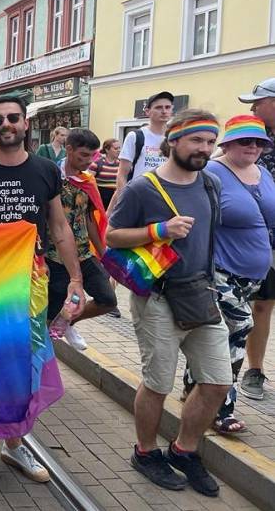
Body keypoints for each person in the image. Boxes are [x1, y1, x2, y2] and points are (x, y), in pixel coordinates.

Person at [0, 96, 83, 482]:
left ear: (25, 124)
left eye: (13, 118)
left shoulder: (45, 170)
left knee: (24, 365)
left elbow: (59, 228)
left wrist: (75, 278)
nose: (6, 124)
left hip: (31, 283)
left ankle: (15, 443)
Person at [107, 109, 230, 498]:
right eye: (196, 140)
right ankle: (145, 453)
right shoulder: (143, 188)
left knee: (217, 381)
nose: (204, 148)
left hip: (201, 294)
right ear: (172, 141)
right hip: (157, 299)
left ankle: (184, 449)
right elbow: (111, 236)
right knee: (158, 382)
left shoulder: (210, 184)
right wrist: (158, 230)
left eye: (210, 142)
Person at [179, 114, 275, 434]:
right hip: (219, 270)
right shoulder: (210, 174)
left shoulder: (263, 173)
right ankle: (221, 409)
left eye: (259, 142)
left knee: (214, 336)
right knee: (236, 331)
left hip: (254, 274)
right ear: (227, 143)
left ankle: (193, 388)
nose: (253, 147)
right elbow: (190, 221)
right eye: (245, 141)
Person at [46, 129, 118, 351]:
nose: (88, 161)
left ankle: (67, 322)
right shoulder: (50, 177)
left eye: (92, 156)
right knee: (50, 312)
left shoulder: (87, 180)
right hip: (54, 256)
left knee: (107, 299)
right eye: (83, 155)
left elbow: (89, 218)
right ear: (69, 150)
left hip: (83, 253)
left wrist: (104, 253)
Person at [238, 78, 275, 400]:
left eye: (257, 102)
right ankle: (254, 369)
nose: (252, 108)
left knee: (263, 304)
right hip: (250, 240)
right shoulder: (251, 139)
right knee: (256, 306)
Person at [111, 91, 174, 210]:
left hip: (167, 198)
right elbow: (122, 174)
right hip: (138, 197)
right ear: (147, 111)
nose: (164, 111)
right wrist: (125, 200)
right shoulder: (136, 136)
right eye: (158, 107)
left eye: (168, 107)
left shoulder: (175, 137)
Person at [89, 138, 121, 210]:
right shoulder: (97, 164)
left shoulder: (121, 164)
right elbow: (89, 181)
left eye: (119, 148)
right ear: (107, 150)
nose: (119, 150)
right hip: (100, 198)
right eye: (116, 148)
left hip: (116, 198)